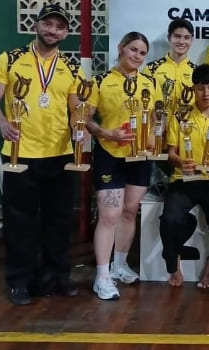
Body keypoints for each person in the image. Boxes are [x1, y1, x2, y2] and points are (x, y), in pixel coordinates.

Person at [0, 3, 81, 305]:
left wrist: (83, 127)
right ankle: (19, 282)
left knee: (59, 221)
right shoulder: (9, 59)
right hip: (20, 153)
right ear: (36, 25)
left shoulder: (72, 66)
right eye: (48, 24)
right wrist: (1, 123)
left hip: (61, 154)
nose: (53, 31)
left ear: (66, 32)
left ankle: (57, 277)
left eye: (59, 26)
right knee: (20, 222)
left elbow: (77, 107)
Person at [84, 32, 162, 300]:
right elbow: (87, 121)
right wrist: (108, 134)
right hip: (110, 155)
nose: (137, 56)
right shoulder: (101, 82)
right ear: (121, 48)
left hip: (139, 157)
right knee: (109, 215)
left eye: (142, 53)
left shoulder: (150, 83)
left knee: (129, 211)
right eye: (133, 50)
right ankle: (102, 276)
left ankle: (120, 265)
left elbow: (154, 117)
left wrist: (153, 137)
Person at [159, 64, 209, 288]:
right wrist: (181, 162)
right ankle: (173, 265)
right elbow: (171, 153)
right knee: (169, 219)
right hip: (184, 179)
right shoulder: (180, 116)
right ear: (193, 89)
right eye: (201, 88)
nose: (206, 93)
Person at [143, 18, 196, 110]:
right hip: (158, 123)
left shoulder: (197, 72)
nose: (181, 42)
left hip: (187, 123)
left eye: (186, 37)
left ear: (192, 40)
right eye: (177, 36)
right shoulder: (152, 69)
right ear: (169, 38)